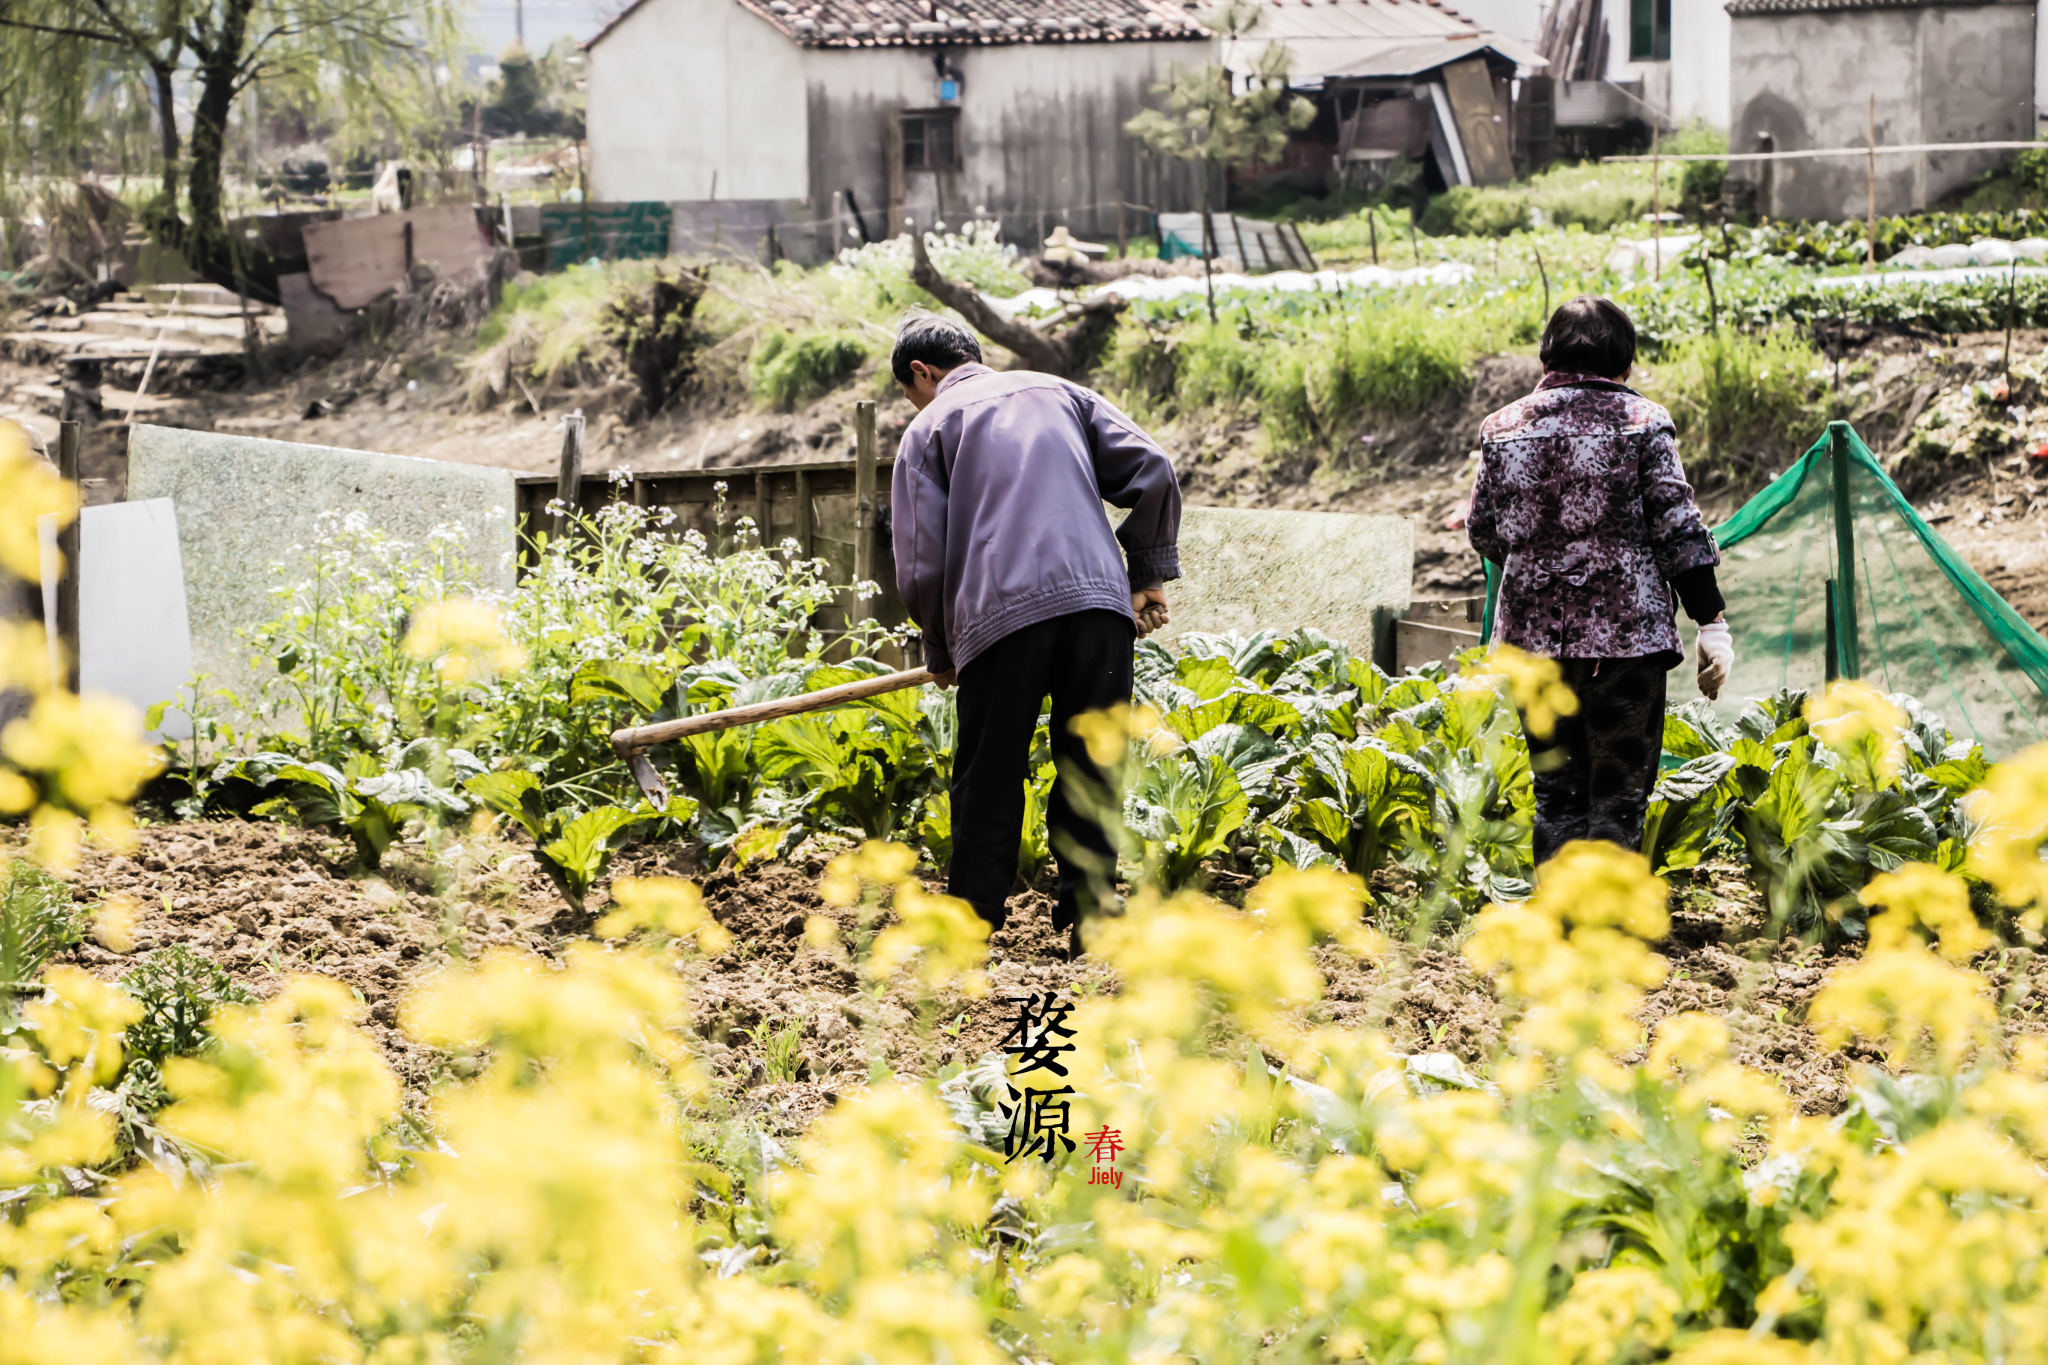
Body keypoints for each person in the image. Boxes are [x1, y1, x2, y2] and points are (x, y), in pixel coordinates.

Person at [889, 313, 1182, 957]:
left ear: (921, 373)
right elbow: (1154, 468)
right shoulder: (1061, 392)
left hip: (1001, 615)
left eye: (909, 391)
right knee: (1092, 764)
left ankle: (969, 927)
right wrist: (1147, 575)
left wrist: (940, 647)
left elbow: (921, 561)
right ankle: (1095, 921)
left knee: (990, 769)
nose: (913, 402)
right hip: (1099, 609)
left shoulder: (930, 425)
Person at [1466, 295, 1734, 864]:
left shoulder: (1501, 428)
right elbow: (1677, 531)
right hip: (1625, 650)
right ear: (1625, 364)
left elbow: (1485, 532)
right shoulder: (1643, 423)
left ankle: (1560, 938)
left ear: (1547, 359)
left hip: (1532, 647)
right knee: (1617, 800)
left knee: (1556, 799)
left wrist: (1543, 555)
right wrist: (1711, 621)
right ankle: (1609, 940)